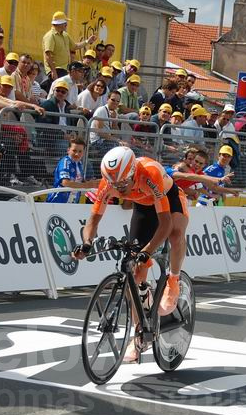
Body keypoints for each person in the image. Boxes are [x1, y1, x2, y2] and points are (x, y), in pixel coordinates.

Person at [72, 147, 190, 361]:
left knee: (175, 233)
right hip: (143, 208)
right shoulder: (108, 183)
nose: (120, 189)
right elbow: (93, 220)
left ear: (133, 172)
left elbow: (165, 224)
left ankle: (173, 280)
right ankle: (139, 333)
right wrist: (87, 243)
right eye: (115, 185)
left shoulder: (150, 173)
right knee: (135, 275)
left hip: (169, 199)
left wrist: (147, 252)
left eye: (123, 184)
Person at [42, 10, 96, 83]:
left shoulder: (65, 35)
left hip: (64, 70)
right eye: (65, 22)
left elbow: (74, 46)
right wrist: (53, 71)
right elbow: (48, 55)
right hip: (56, 71)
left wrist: (87, 41)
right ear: (59, 23)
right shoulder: (50, 36)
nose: (66, 24)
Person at [46, 138, 100, 203]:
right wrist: (87, 185)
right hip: (58, 202)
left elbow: (80, 182)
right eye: (74, 151)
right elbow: (65, 183)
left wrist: (95, 183)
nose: (77, 154)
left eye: (80, 151)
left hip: (73, 202)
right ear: (68, 150)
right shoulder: (65, 162)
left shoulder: (79, 163)